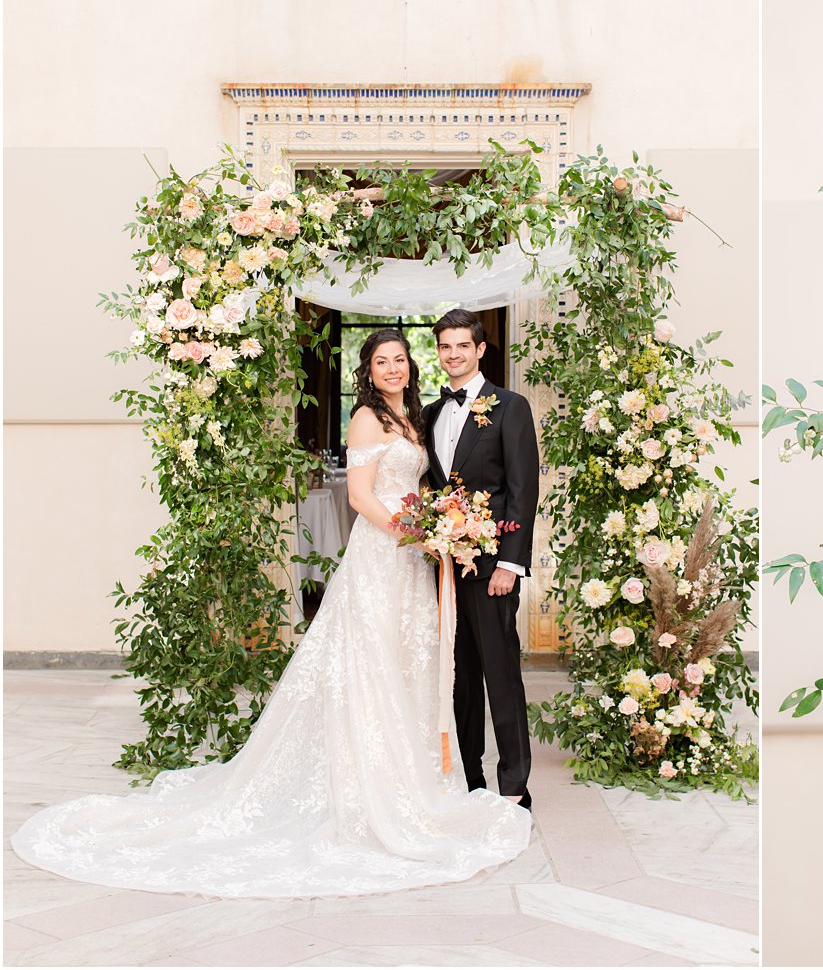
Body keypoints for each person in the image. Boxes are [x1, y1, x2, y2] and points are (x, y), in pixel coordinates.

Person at [10, 330, 530, 897]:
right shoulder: (365, 418)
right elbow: (359, 497)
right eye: (381, 361)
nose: (392, 369)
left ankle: (437, 777)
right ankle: (373, 787)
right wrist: (419, 534)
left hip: (419, 566)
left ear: (417, 365)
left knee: (414, 665)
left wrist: (447, 536)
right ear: (368, 369)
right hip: (386, 557)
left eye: (400, 360)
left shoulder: (417, 417)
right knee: (371, 664)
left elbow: (483, 486)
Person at [421, 309, 539, 807]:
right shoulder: (429, 413)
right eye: (445, 347)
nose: (453, 355)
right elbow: (431, 487)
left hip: (491, 568)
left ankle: (514, 787)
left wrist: (509, 565)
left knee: (501, 676)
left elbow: (522, 489)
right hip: (443, 569)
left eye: (462, 346)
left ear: (480, 349)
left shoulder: (509, 407)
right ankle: (469, 782)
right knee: (459, 679)